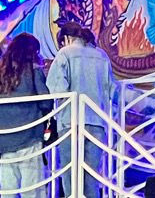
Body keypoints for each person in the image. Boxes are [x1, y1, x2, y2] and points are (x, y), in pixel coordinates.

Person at [46, 20, 114, 198]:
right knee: (92, 177)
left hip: (71, 121)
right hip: (97, 121)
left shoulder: (65, 54)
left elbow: (56, 90)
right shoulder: (101, 55)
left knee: (71, 177)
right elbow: (111, 90)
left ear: (66, 38)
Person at [0, 34, 51, 198]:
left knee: (9, 189)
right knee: (33, 189)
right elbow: (46, 102)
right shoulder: (33, 69)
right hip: (27, 134)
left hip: (2, 137)